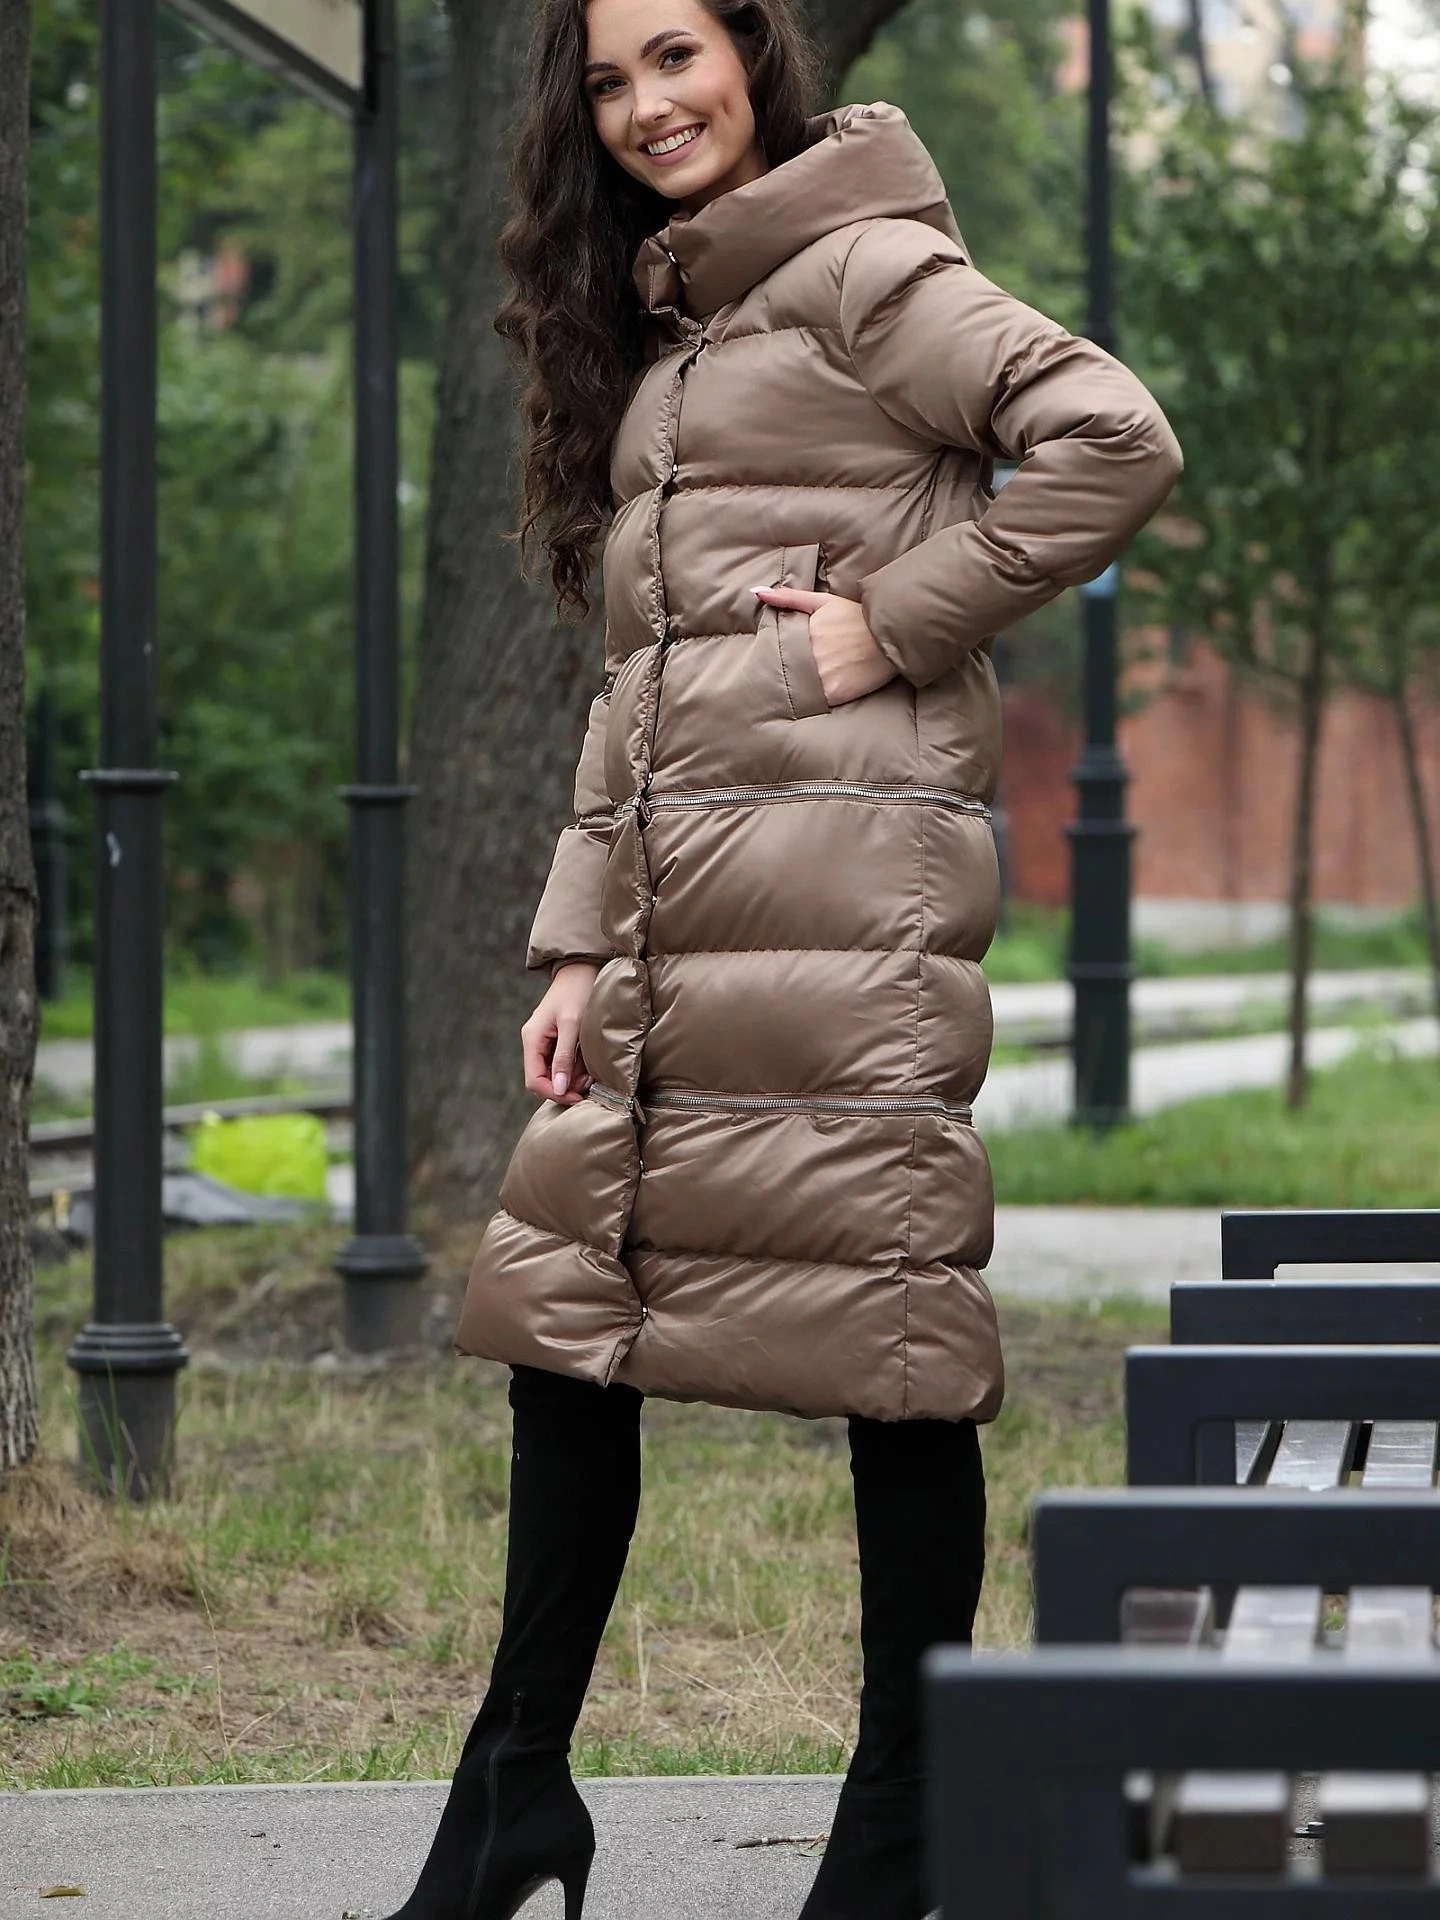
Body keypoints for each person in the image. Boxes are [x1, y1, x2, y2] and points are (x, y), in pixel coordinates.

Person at [385, 0, 1181, 1911]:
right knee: (564, 1321)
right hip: (669, 926)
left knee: (886, 1340)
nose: (647, 104)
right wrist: (571, 946)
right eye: (607, 81)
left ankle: (903, 1819)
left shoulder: (866, 273)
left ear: (754, 55)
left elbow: (1113, 435)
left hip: (845, 903)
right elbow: (640, 685)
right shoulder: (677, 332)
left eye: (675, 55)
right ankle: (512, 1794)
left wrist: (892, 620)